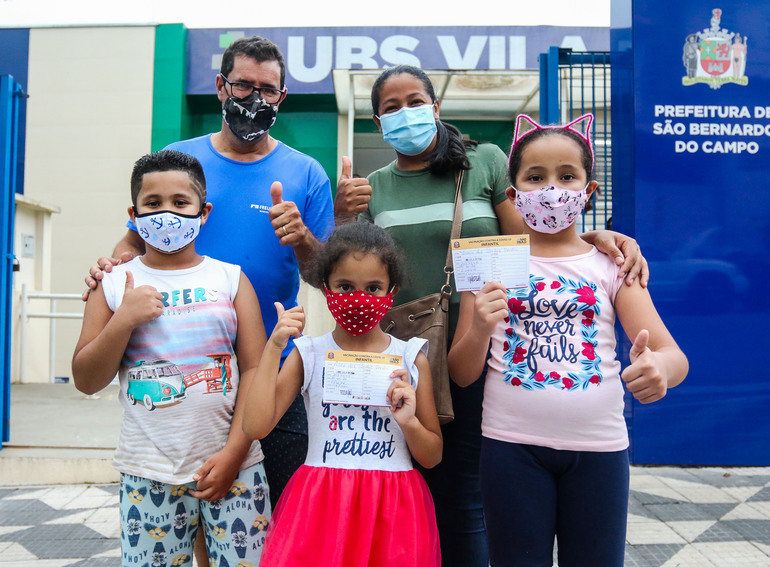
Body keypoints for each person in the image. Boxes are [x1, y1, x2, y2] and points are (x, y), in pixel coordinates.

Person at [333, 64, 649, 566]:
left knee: (468, 500)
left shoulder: (483, 162)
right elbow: (354, 271)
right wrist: (341, 215)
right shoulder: (371, 186)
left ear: (436, 108)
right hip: (412, 358)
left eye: (415, 101)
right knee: (414, 488)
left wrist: (595, 241)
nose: (405, 114)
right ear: (376, 121)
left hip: (493, 352)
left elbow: (537, 234)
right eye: (390, 107)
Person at [83, 36, 335, 511]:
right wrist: (110, 265)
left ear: (282, 97)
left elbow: (326, 278)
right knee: (193, 512)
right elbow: (136, 240)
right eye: (243, 85)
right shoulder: (181, 160)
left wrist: (302, 236)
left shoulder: (306, 173)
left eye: (268, 89)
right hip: (187, 372)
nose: (255, 98)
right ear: (221, 87)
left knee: (275, 515)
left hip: (271, 371)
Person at [447, 114, 688, 567]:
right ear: (514, 194)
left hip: (599, 451)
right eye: (535, 177)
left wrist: (660, 371)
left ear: (589, 191)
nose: (552, 189)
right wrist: (479, 326)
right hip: (509, 450)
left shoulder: (614, 264)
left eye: (567, 176)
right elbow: (462, 373)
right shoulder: (487, 262)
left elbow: (673, 354)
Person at [72, 150, 271, 567]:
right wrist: (123, 320)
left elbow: (254, 368)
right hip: (148, 470)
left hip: (235, 465)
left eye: (180, 203)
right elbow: (86, 378)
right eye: (153, 204)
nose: (166, 214)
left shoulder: (230, 279)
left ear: (204, 211)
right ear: (133, 213)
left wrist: (236, 451)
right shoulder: (111, 285)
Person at [243, 221, 443, 566]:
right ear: (326, 287)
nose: (358, 298)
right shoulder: (308, 354)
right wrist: (274, 347)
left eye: (373, 288)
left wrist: (409, 424)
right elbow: (256, 426)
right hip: (321, 505)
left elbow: (432, 455)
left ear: (392, 289)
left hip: (394, 508)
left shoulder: (411, 358)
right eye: (345, 286)